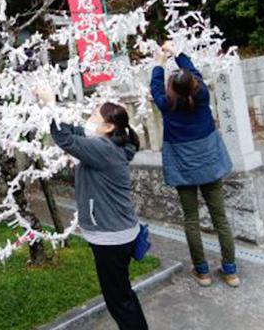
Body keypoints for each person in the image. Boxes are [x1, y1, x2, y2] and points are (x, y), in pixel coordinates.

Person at [35, 87, 149, 330]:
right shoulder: (111, 144)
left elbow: (65, 139)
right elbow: (74, 131)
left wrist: (51, 104)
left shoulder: (104, 150)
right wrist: (53, 109)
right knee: (122, 293)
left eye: (94, 116)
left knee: (118, 300)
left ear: (108, 127)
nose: (88, 119)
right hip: (118, 232)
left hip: (111, 237)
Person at [150, 40, 240, 288]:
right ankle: (230, 271)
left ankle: (202, 273)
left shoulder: (166, 104)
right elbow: (194, 72)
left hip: (183, 167)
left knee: (191, 219)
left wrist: (159, 64)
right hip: (209, 164)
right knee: (220, 217)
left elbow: (155, 87)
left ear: (172, 90)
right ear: (193, 84)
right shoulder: (201, 95)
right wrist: (176, 53)